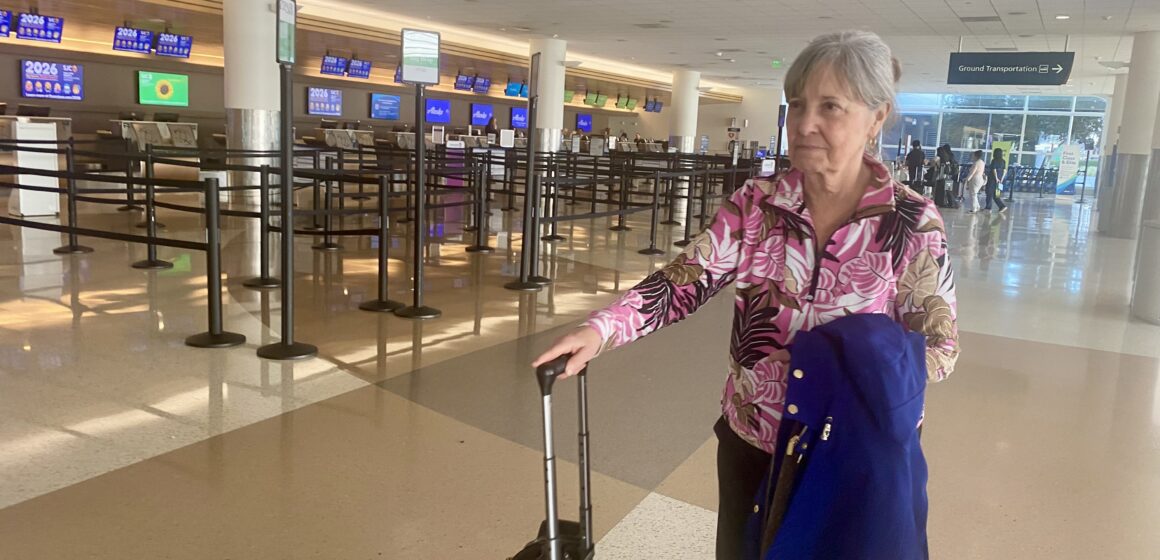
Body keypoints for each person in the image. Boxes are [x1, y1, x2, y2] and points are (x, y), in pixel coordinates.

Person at [533, 30, 959, 560]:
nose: (804, 124)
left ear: (877, 117)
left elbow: (939, 349)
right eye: (798, 104)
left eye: (831, 107)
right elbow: (686, 280)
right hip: (752, 440)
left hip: (847, 451)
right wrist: (600, 330)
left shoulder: (912, 220)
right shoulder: (756, 203)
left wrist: (837, 357)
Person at [985, 147, 1009, 213]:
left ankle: (988, 208)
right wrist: (1001, 179)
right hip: (1000, 180)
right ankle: (1002, 206)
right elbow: (1004, 171)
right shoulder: (1003, 161)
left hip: (993, 180)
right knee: (996, 194)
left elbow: (994, 170)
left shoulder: (994, 160)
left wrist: (996, 178)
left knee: (989, 193)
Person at [964, 149, 986, 213]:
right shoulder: (982, 162)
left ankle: (973, 209)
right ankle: (977, 207)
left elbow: (972, 173)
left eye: (973, 155)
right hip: (980, 179)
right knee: (975, 194)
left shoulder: (976, 163)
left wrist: (967, 179)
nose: (972, 156)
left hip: (975, 179)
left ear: (976, 156)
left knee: (972, 194)